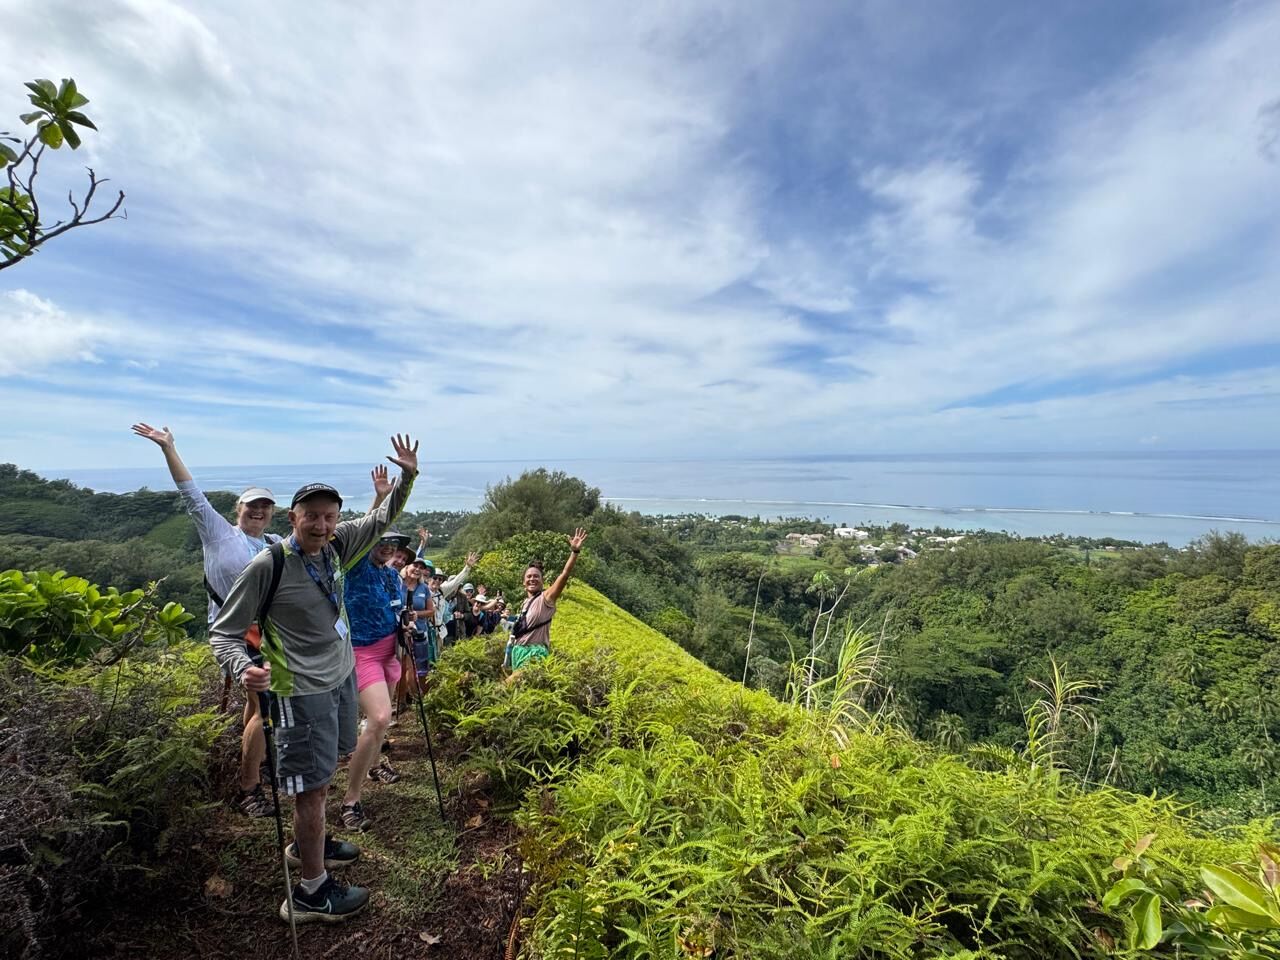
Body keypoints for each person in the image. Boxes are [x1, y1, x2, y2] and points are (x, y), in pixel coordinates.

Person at [208, 434, 418, 924]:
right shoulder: (269, 565)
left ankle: (310, 843)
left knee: (324, 773)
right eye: (312, 517)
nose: (321, 525)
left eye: (329, 516)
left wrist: (408, 477)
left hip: (340, 676)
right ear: (293, 518)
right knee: (312, 787)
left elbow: (383, 519)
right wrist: (244, 667)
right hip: (299, 690)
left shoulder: (337, 547)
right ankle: (310, 891)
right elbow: (224, 633)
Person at [131, 421, 281, 818]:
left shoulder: (275, 544)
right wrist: (168, 448)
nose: (258, 511)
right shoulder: (219, 534)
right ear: (238, 510)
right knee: (266, 702)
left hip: (266, 635)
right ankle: (249, 788)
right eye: (251, 506)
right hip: (233, 634)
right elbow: (191, 493)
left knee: (256, 701)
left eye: (265, 507)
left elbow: (324, 540)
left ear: (272, 513)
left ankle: (258, 760)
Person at [337, 521, 416, 831]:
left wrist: (405, 624)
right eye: (382, 541)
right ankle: (350, 800)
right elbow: (361, 533)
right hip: (362, 652)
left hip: (389, 651)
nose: (388, 547)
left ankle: (374, 765)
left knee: (383, 720)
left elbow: (395, 610)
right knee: (380, 717)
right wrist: (381, 501)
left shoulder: (392, 575)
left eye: (394, 544)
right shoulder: (356, 567)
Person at [509, 528, 588, 672]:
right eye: (529, 576)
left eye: (536, 576)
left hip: (534, 654)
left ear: (542, 581)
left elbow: (564, 574)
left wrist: (574, 552)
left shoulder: (546, 598)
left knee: (508, 684)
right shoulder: (525, 603)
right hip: (518, 652)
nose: (532, 579)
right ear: (523, 582)